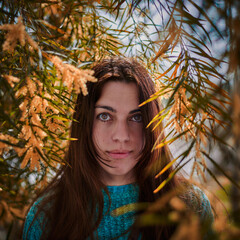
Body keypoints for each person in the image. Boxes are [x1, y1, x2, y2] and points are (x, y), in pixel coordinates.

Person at [23, 57, 213, 240]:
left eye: (136, 117)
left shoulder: (191, 207)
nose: (122, 135)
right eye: (105, 116)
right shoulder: (46, 216)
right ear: (84, 123)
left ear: (152, 124)